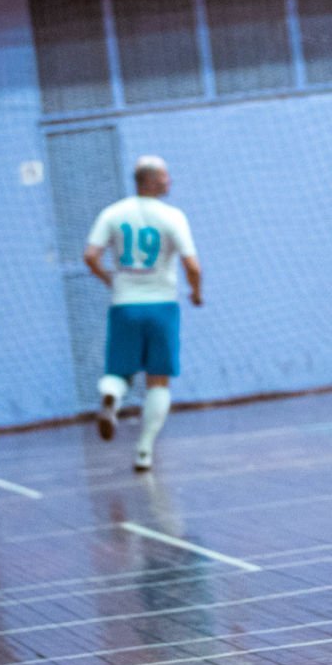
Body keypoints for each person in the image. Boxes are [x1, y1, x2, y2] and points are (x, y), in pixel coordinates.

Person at [83, 155, 202, 472]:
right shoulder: (172, 216)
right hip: (162, 306)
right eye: (164, 176)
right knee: (158, 380)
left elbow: (90, 255)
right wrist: (196, 292)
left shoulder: (112, 213)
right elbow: (192, 266)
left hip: (124, 304)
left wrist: (108, 278)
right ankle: (144, 451)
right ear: (149, 180)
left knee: (118, 371)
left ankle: (111, 398)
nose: (169, 181)